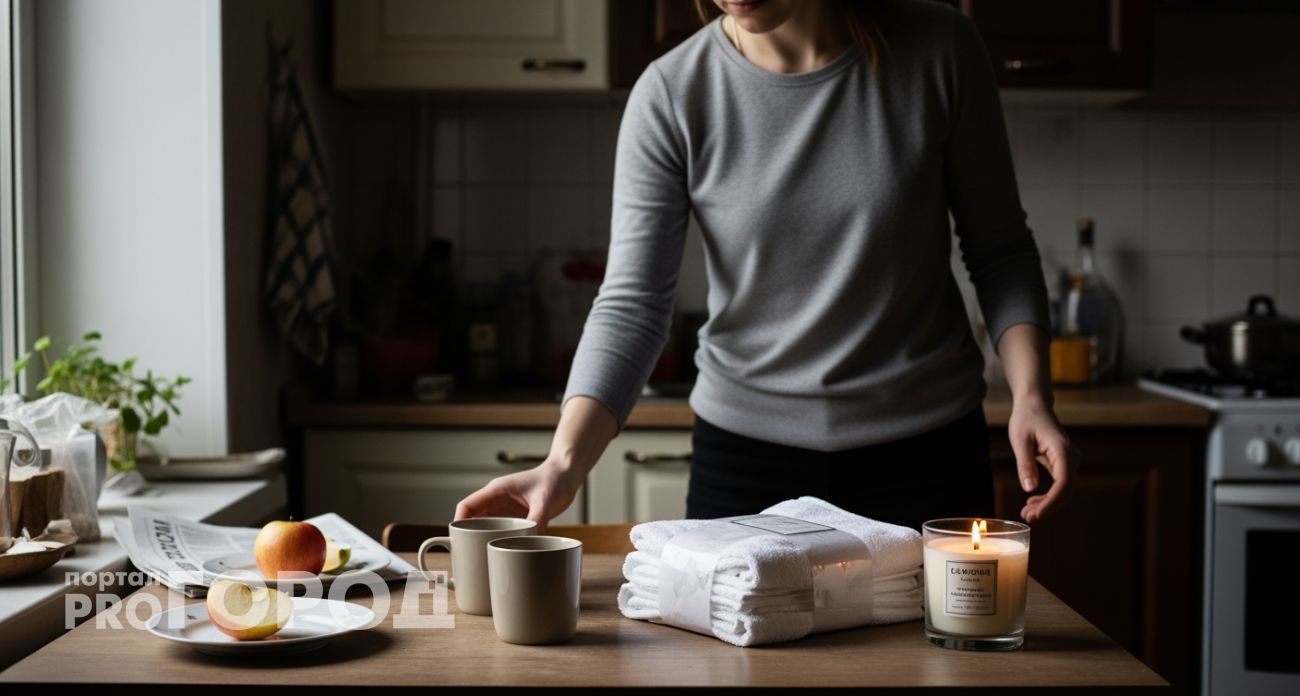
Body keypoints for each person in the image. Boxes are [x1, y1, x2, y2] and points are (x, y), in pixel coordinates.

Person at [455, 0, 1075, 531]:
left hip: (926, 456)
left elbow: (999, 249)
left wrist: (1031, 395)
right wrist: (563, 463)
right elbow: (633, 305)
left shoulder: (940, 48)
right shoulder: (672, 91)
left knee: (936, 670)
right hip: (746, 466)